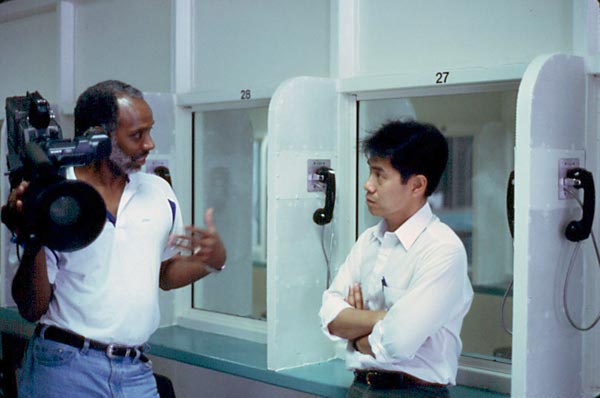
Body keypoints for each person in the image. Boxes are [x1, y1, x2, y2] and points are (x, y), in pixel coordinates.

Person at [3, 80, 227, 397]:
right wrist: (32, 236)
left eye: (150, 131)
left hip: (135, 371)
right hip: (65, 367)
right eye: (137, 135)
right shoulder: (56, 196)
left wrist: (212, 261)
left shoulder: (158, 191)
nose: (149, 144)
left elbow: (163, 273)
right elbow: (31, 307)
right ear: (98, 137)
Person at [319, 120, 473, 398]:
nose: (368, 185)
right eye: (370, 172)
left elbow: (397, 343)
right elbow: (330, 318)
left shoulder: (442, 249)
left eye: (380, 175)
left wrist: (354, 332)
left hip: (414, 393)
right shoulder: (368, 240)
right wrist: (384, 317)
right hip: (359, 387)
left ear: (416, 185)